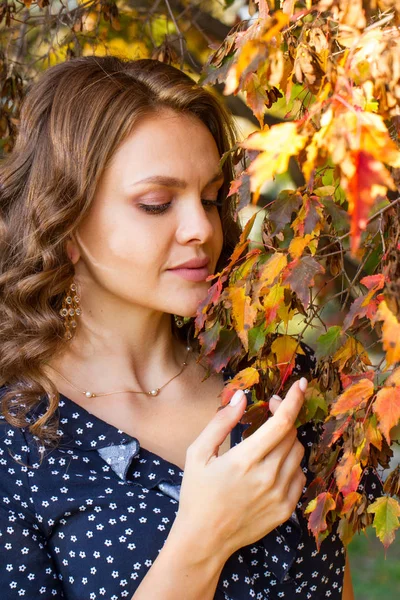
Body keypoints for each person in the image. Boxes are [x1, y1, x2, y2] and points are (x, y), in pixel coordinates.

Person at [0, 56, 355, 599]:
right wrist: (203, 543)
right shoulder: (15, 442)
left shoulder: (277, 383)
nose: (201, 229)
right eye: (156, 204)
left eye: (211, 198)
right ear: (63, 221)